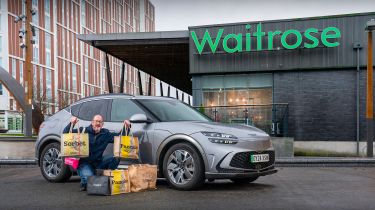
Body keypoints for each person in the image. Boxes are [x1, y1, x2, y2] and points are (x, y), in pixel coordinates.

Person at [63, 114, 131, 191]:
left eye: (100, 122)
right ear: (92, 122)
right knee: (89, 181)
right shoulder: (83, 131)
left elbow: (120, 137)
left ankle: (106, 176)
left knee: (116, 156)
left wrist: (126, 127)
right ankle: (85, 181)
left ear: (102, 124)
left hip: (98, 162)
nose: (98, 123)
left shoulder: (105, 133)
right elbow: (65, 133)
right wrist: (72, 123)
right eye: (96, 121)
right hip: (84, 163)